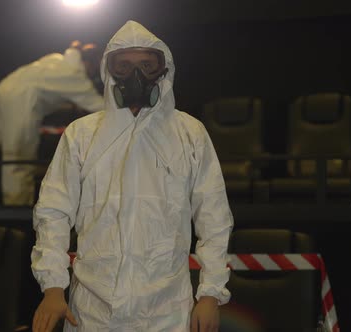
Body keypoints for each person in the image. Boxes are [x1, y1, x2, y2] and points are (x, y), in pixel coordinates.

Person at [31, 21, 233, 332]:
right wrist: (53, 288)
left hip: (167, 312)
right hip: (92, 311)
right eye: (123, 65)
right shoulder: (82, 135)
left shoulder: (189, 133)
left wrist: (210, 295)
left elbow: (214, 217)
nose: (135, 75)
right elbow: (53, 213)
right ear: (109, 70)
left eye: (146, 65)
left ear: (163, 71)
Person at [0, 41, 104, 206]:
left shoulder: (54, 59)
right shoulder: (74, 75)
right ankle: (16, 209)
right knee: (18, 158)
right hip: (21, 100)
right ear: (89, 63)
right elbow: (99, 106)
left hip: (4, 89)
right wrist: (128, 113)